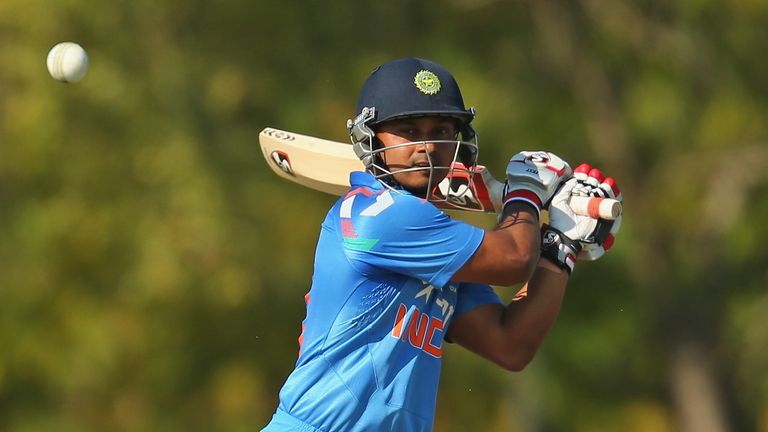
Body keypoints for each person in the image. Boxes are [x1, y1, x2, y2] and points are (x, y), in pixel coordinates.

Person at [262, 57, 622, 432]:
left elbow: (510, 344)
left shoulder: (436, 243)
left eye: (441, 131)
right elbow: (513, 258)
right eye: (409, 130)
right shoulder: (378, 214)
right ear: (371, 137)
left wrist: (559, 247)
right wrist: (527, 193)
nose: (427, 147)